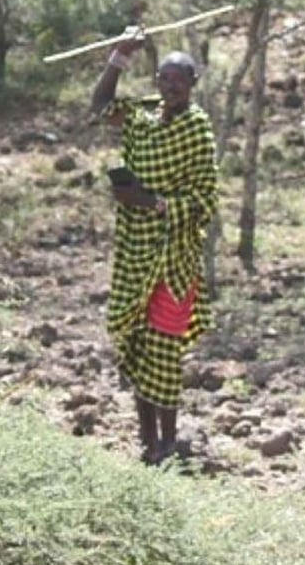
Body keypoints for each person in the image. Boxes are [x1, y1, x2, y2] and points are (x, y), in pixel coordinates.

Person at [90, 27, 219, 465]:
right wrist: (119, 55)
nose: (169, 87)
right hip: (133, 249)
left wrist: (150, 201)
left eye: (177, 81)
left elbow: (205, 200)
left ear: (192, 84)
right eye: (163, 79)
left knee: (164, 348)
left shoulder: (196, 129)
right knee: (139, 345)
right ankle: (147, 443)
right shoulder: (143, 115)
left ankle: (168, 442)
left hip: (172, 257)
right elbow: (100, 106)